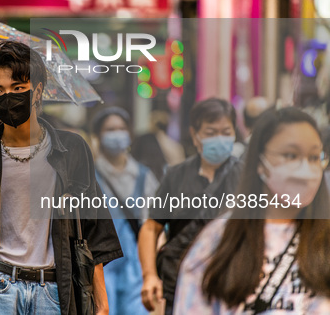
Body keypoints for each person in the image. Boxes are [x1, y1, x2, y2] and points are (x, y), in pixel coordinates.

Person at [0, 41, 122, 315]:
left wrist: (101, 305)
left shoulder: (72, 150)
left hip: (53, 292)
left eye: (18, 89)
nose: (8, 98)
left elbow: (93, 232)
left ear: (37, 91)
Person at [175, 107, 330, 314]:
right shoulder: (219, 239)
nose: (305, 168)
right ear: (260, 162)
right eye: (291, 155)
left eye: (313, 157)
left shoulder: (325, 238)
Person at [139, 98, 242, 314]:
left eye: (226, 132)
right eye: (211, 132)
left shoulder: (247, 177)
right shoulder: (176, 176)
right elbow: (151, 228)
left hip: (231, 282)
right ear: (195, 135)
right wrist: (149, 275)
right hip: (180, 283)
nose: (219, 139)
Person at [91, 107, 159, 315]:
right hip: (102, 267)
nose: (117, 133)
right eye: (110, 129)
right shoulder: (88, 176)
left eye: (121, 128)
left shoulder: (144, 176)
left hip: (136, 266)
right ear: (98, 135)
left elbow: (154, 225)